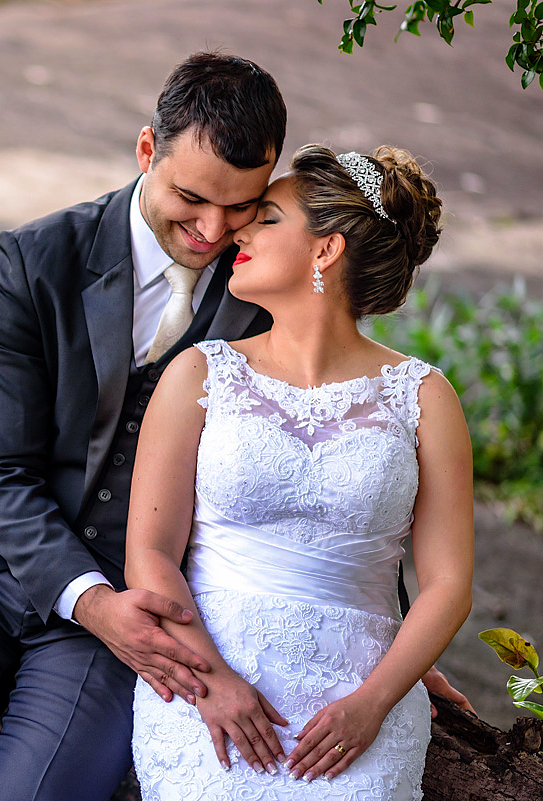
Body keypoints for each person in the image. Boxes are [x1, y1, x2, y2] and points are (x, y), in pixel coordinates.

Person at [0, 52, 469, 801]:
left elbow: (340, 460)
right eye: (192, 199)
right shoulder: (37, 258)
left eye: (243, 206)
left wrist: (383, 635)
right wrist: (93, 601)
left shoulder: (266, 290)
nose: (212, 230)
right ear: (147, 152)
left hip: (148, 610)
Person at [126, 144, 474, 800]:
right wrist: (214, 684)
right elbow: (148, 552)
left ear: (326, 250)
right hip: (209, 695)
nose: (239, 230)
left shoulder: (425, 396)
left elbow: (450, 583)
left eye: (268, 219)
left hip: (358, 712)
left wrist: (375, 702)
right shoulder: (200, 373)